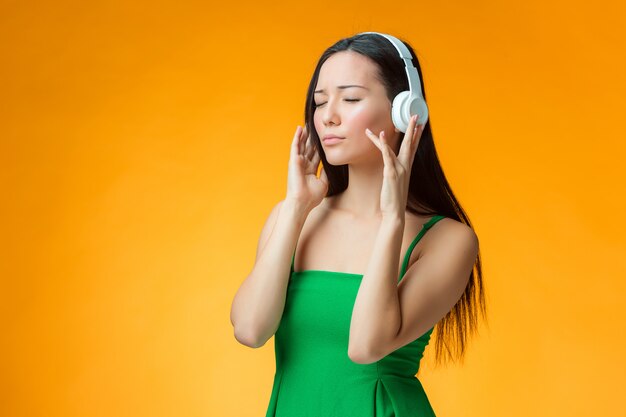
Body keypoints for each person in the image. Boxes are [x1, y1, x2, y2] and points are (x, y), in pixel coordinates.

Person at [230, 31, 487, 417]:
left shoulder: (448, 239)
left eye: (350, 99)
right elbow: (250, 330)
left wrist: (392, 220)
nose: (327, 116)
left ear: (406, 111)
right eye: (320, 102)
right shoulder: (292, 218)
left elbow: (366, 347)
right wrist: (296, 208)